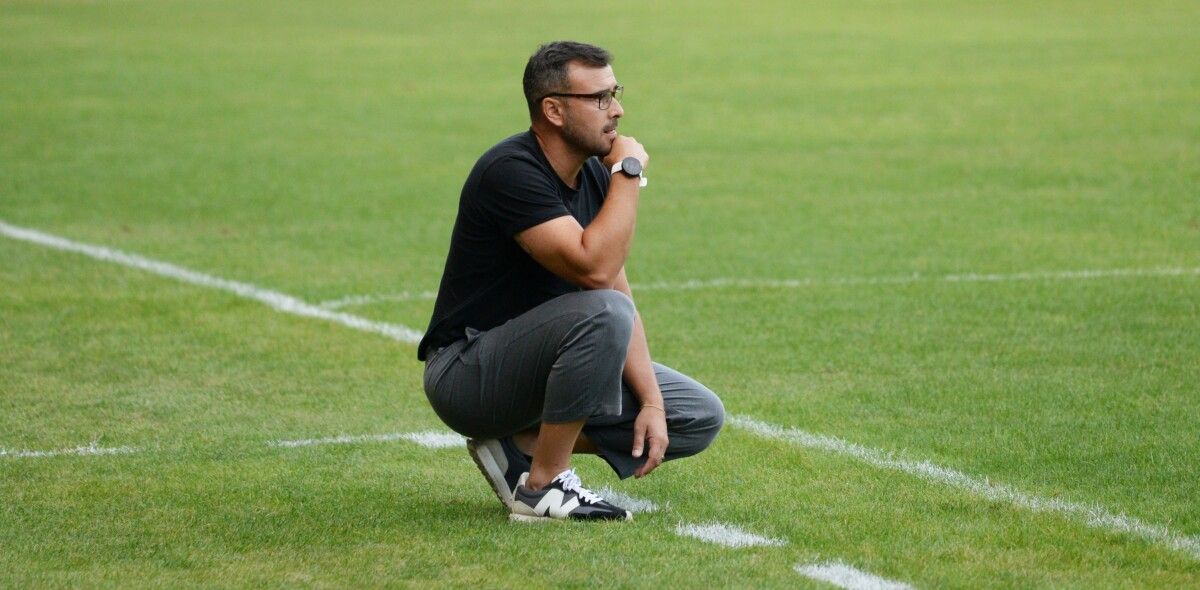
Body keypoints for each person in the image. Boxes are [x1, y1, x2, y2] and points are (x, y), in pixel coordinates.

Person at [418, 40, 724, 522]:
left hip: (543, 368)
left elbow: (618, 289)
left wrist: (651, 402)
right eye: (600, 98)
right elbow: (595, 270)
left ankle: (519, 443)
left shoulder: (594, 177)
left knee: (696, 415)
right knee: (605, 313)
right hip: (469, 372)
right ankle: (541, 486)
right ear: (554, 110)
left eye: (615, 93)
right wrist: (630, 171)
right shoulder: (510, 171)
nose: (617, 110)